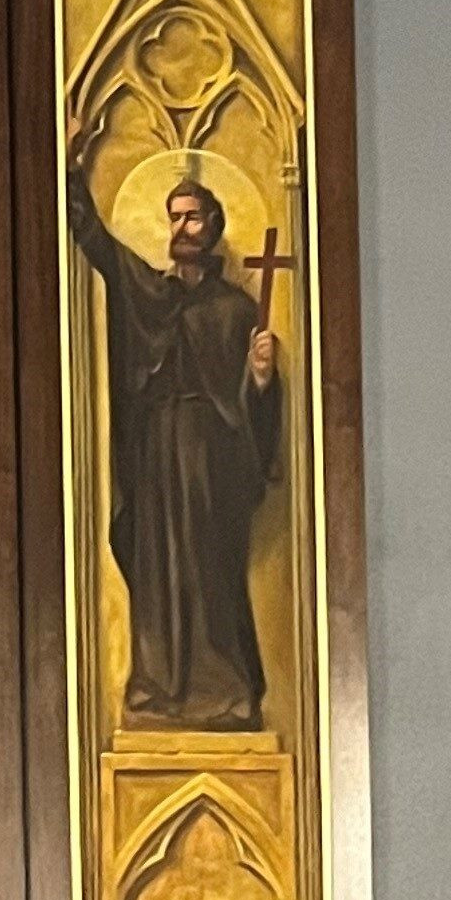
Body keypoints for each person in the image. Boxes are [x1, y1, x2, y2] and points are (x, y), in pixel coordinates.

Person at [65, 127, 282, 729]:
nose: (181, 227)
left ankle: (224, 689)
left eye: (193, 217)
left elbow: (255, 410)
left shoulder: (235, 309)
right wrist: (70, 165)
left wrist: (261, 378)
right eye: (174, 217)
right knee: (159, 569)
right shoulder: (148, 293)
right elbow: (98, 246)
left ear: (213, 226)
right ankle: (159, 688)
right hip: (157, 452)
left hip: (212, 456)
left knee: (210, 570)